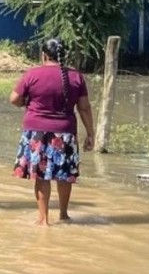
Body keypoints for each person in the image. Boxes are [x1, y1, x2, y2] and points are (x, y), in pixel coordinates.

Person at [10, 38, 95, 225]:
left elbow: (14, 99)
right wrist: (91, 133)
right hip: (65, 132)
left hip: (36, 132)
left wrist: (28, 103)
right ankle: (64, 215)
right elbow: (84, 108)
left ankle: (43, 219)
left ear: (43, 55)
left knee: (41, 176)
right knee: (64, 175)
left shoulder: (32, 74)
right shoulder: (75, 76)